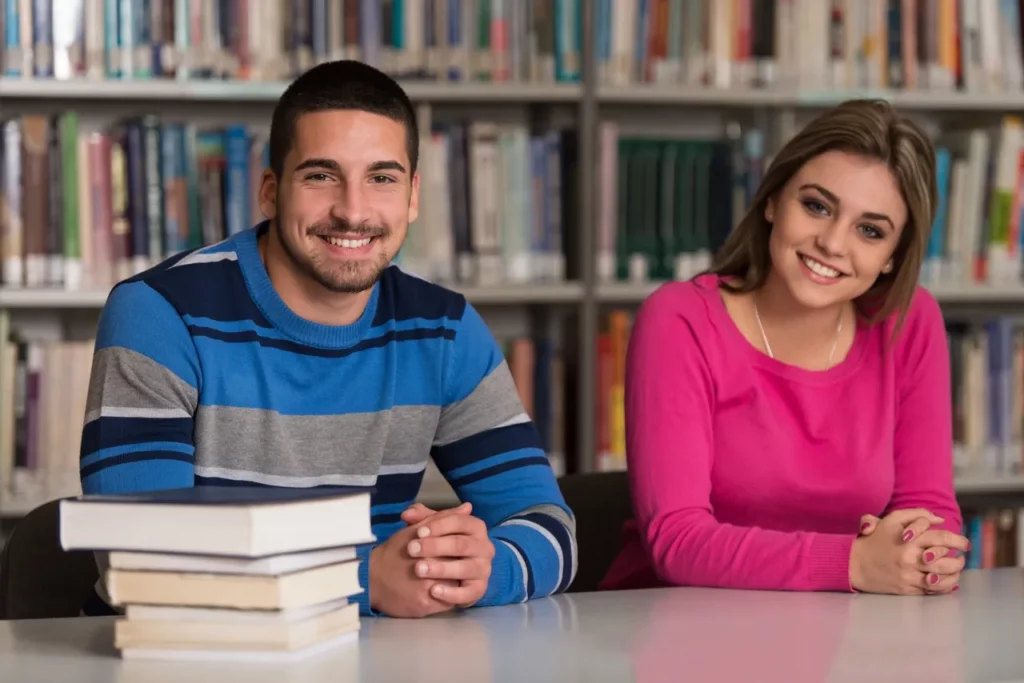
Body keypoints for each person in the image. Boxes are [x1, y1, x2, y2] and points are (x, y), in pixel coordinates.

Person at [78, 60, 577, 618]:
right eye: (321, 175)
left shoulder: (445, 330)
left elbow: (550, 527)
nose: (353, 211)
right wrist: (364, 584)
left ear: (413, 196)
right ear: (270, 191)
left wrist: (477, 570)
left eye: (382, 178)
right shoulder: (160, 315)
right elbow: (141, 559)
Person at [600, 99, 969, 597]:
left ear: (892, 257)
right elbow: (677, 541)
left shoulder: (908, 321)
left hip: (843, 640)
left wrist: (925, 558)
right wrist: (853, 563)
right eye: (816, 206)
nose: (833, 243)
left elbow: (930, 514)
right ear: (773, 201)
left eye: (870, 231)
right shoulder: (680, 319)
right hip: (675, 632)